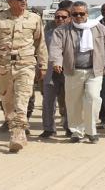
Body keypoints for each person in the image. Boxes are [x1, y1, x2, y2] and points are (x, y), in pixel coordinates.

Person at [0, 0, 48, 153]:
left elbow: (41, 43)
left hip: (26, 64)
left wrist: (43, 64)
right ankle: (15, 130)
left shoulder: (34, 18)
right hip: (3, 66)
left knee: (22, 100)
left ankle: (17, 134)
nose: (24, 1)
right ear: (9, 1)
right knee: (7, 102)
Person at [49, 1, 105, 144]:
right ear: (71, 15)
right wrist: (57, 62)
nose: (78, 16)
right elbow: (56, 48)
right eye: (75, 14)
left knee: (93, 99)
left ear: (87, 14)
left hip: (94, 70)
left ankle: (91, 131)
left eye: (81, 13)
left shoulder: (99, 28)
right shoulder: (62, 30)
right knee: (73, 103)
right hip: (73, 71)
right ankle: (77, 132)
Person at [40, 8, 71, 138]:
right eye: (57, 17)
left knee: (69, 101)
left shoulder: (74, 33)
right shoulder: (47, 34)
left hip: (69, 72)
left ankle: (70, 127)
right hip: (50, 72)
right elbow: (41, 52)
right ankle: (49, 128)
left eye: (63, 17)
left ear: (69, 18)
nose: (60, 19)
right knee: (48, 101)